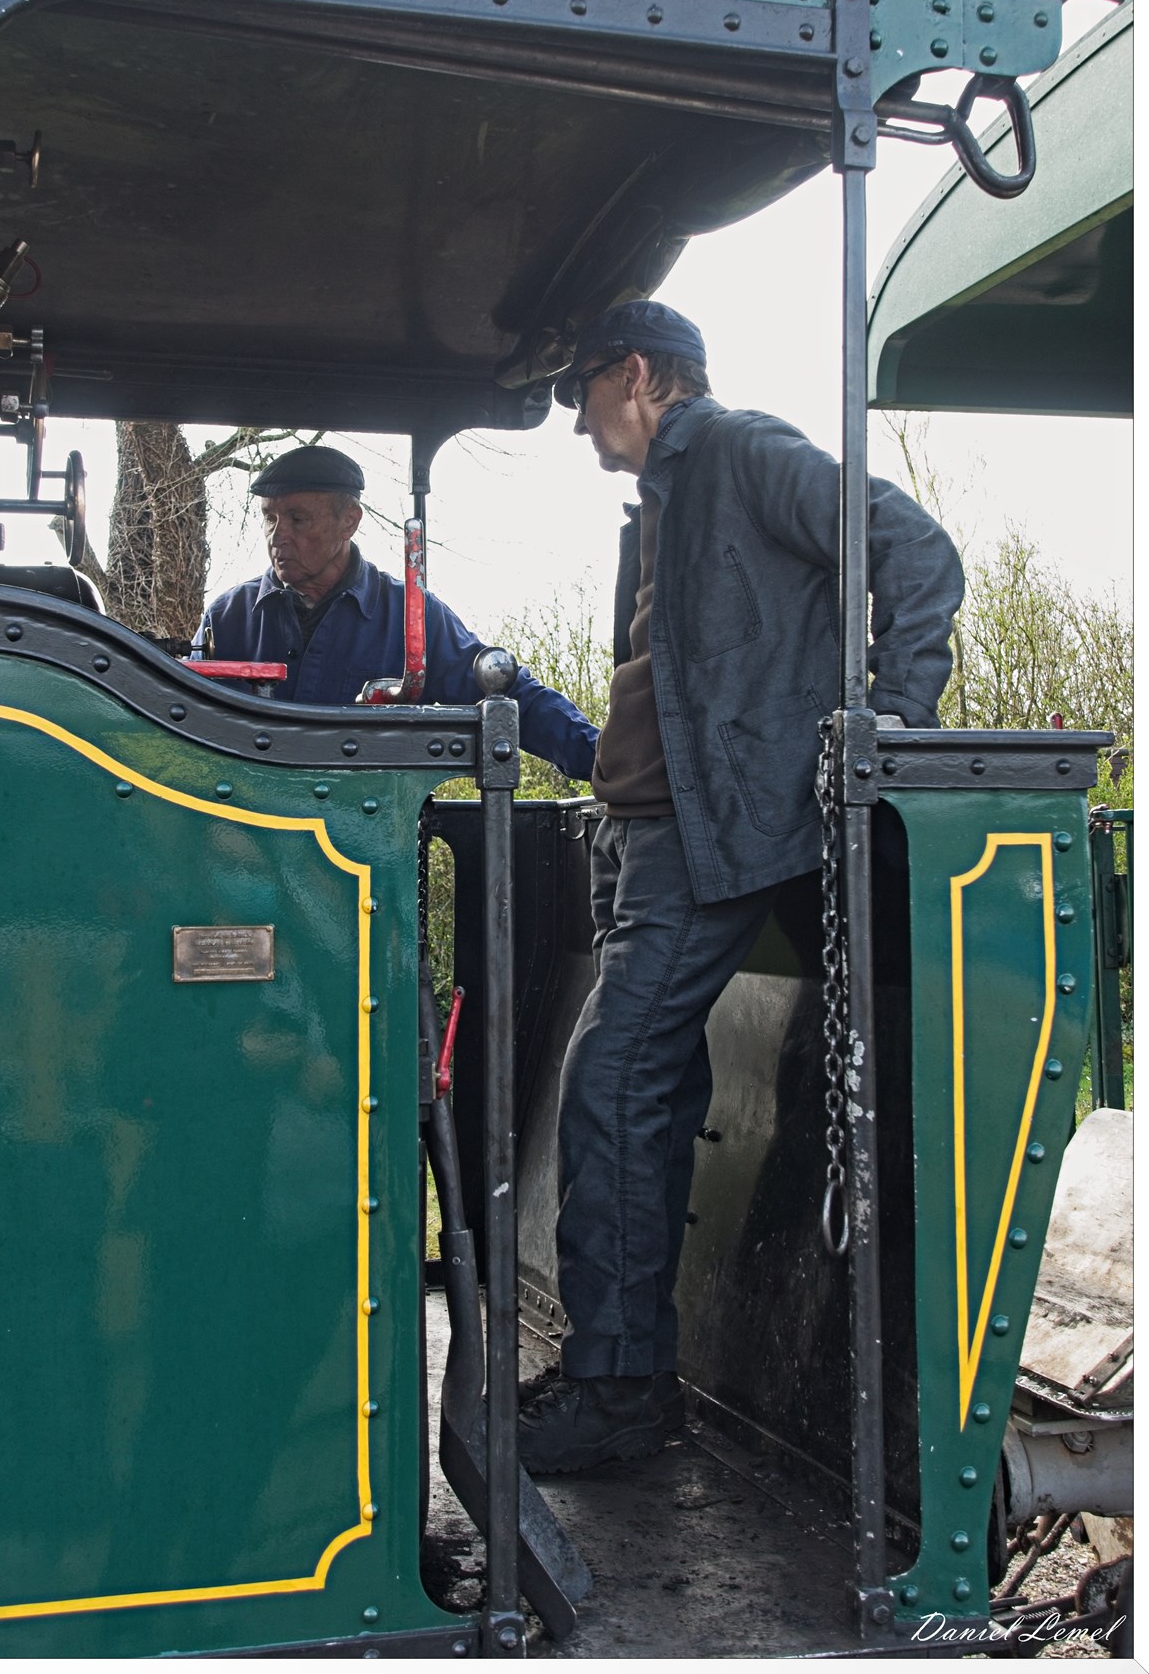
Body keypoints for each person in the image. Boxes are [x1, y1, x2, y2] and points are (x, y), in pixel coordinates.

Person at [518, 301, 964, 1473]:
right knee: (648, 1088)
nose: (577, 428)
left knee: (612, 1078)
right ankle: (629, 1370)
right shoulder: (662, 500)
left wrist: (895, 721)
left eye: (581, 397)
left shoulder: (738, 448)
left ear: (636, 374)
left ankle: (615, 1389)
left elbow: (913, 548)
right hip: (652, 833)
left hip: (717, 831)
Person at [195, 444, 598, 781]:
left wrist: (604, 759)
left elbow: (507, 694)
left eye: (297, 519)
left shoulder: (413, 618)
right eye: (270, 518)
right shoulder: (228, 618)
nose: (278, 535)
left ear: (349, 521)